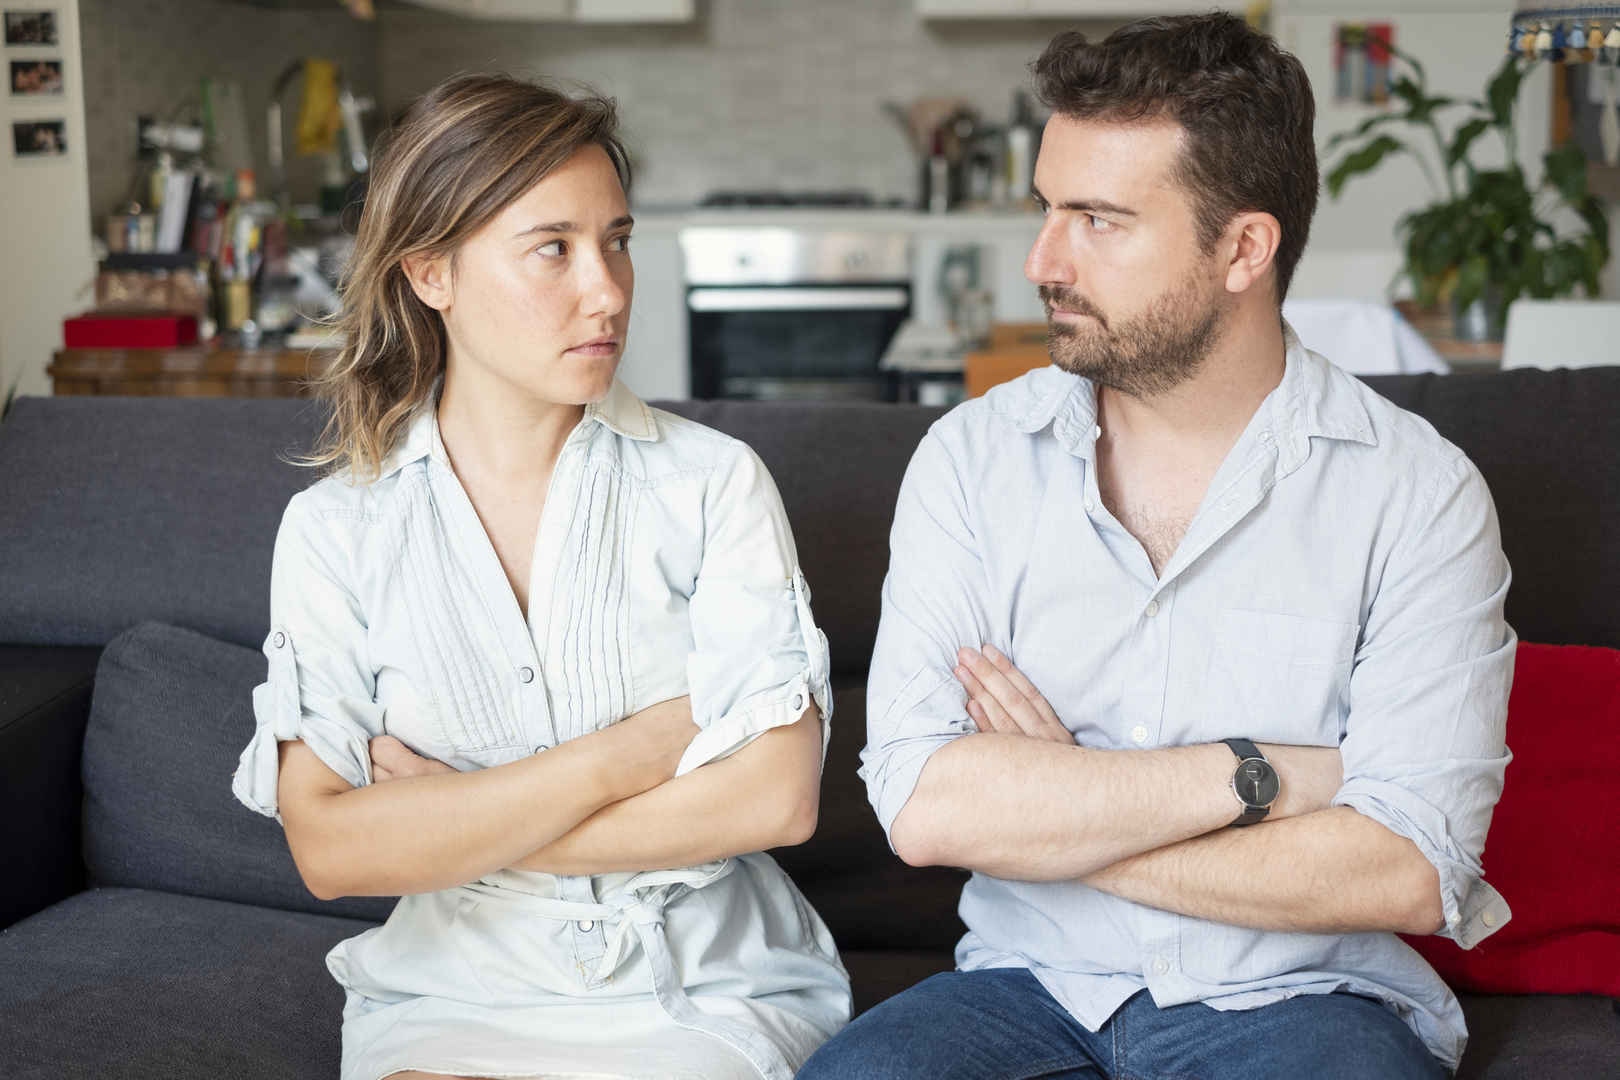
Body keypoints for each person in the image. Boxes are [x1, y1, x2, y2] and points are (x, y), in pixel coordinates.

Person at [801, 14, 1513, 1080]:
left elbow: (1408, 868)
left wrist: (1065, 801)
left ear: (1243, 248)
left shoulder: (1417, 495)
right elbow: (923, 804)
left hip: (1303, 1001)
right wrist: (1258, 779)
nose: (1044, 260)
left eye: (1099, 220)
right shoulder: (971, 459)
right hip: (1019, 990)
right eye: (1049, 208)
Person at [232, 74, 850, 1080]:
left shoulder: (713, 485)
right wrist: (630, 753)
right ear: (431, 271)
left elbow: (774, 801)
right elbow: (333, 851)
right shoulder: (333, 530)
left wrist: (454, 822)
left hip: (694, 983)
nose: (607, 290)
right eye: (552, 248)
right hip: (454, 992)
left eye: (617, 240)